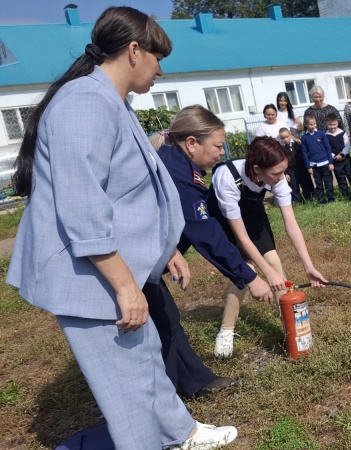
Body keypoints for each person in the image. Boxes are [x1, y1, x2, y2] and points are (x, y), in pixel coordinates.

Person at [6, 7, 236, 449]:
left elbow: (128, 191)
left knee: (147, 359)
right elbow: (83, 209)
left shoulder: (111, 101)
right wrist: (126, 287)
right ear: (134, 51)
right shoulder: (83, 104)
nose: (160, 69)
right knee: (127, 387)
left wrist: (163, 246)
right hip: (91, 273)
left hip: (112, 267)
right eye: (157, 57)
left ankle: (180, 432)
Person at [148, 105, 274, 398]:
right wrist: (250, 278)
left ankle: (196, 382)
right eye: (217, 146)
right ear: (191, 143)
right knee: (158, 326)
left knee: (167, 318)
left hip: (145, 259)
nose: (222, 153)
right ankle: (164, 403)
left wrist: (170, 252)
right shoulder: (178, 173)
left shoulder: (174, 161)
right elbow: (205, 233)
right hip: (127, 263)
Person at [207, 136, 328, 357]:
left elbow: (291, 224)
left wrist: (308, 266)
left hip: (252, 213)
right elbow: (242, 237)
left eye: (283, 172)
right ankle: (226, 330)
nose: (282, 178)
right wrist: (267, 274)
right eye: (276, 174)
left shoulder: (277, 178)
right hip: (224, 220)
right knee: (247, 272)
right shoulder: (227, 178)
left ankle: (289, 327)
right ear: (256, 169)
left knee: (274, 261)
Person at [325, 114, 351, 200]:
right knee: (341, 180)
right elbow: (327, 149)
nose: (332, 127)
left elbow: (347, 145)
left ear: (337, 123)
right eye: (330, 125)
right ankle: (346, 197)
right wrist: (334, 156)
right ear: (326, 124)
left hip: (346, 159)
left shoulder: (342, 133)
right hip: (335, 161)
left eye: (334, 124)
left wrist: (342, 154)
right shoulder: (325, 136)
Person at [301, 116, 335, 203]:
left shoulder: (321, 134)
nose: (313, 126)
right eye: (311, 124)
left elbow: (328, 148)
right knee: (318, 184)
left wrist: (330, 162)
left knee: (328, 183)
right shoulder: (304, 137)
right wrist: (308, 166)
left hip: (325, 163)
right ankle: (322, 200)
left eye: (314, 124)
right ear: (305, 125)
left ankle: (331, 199)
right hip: (314, 165)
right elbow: (304, 153)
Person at [278, 127, 305, 203]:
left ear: (290, 135)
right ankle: (297, 201)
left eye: (287, 137)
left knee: (305, 184)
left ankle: (309, 197)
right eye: (283, 138)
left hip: (301, 168)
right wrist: (285, 173)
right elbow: (283, 162)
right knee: (293, 186)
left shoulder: (297, 144)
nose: (286, 139)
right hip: (291, 170)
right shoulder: (282, 149)